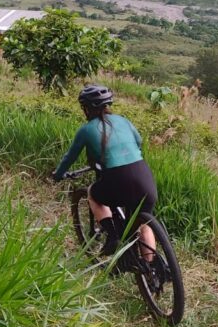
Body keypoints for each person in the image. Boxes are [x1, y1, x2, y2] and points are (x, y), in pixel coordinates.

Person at [53, 84, 158, 258]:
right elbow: (139, 142)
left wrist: (58, 175)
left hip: (119, 179)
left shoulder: (86, 130)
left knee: (93, 194)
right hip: (144, 176)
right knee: (142, 224)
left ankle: (113, 235)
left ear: (86, 109)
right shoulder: (124, 120)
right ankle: (151, 271)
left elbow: (69, 157)